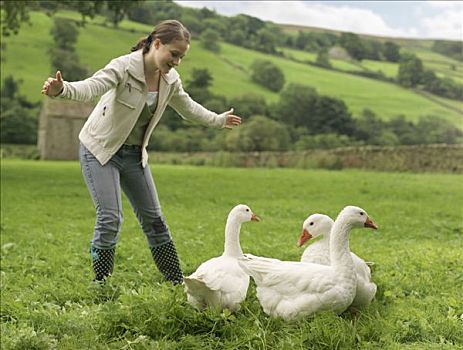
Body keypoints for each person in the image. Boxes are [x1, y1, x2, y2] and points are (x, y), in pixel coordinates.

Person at [41, 20, 241, 285]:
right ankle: (102, 282)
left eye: (182, 57)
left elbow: (189, 108)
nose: (177, 61)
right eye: (174, 54)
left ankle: (175, 281)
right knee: (110, 217)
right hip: (100, 151)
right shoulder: (123, 67)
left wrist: (218, 120)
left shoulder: (170, 80)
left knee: (155, 220)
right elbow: (92, 87)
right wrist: (63, 89)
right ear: (156, 44)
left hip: (135, 156)